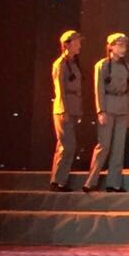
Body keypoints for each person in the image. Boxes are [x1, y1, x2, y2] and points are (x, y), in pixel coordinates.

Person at [83, 33, 129, 193]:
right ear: (110, 47)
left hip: (123, 106)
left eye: (125, 45)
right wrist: (100, 110)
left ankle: (114, 183)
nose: (123, 49)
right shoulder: (102, 65)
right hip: (108, 106)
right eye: (120, 45)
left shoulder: (127, 66)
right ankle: (91, 181)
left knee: (119, 147)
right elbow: (99, 89)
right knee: (104, 145)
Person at [49, 29, 84, 191]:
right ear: (67, 44)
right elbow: (60, 89)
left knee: (66, 145)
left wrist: (78, 110)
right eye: (77, 42)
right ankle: (57, 181)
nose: (79, 45)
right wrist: (64, 110)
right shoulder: (60, 64)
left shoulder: (73, 63)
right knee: (67, 145)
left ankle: (59, 181)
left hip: (73, 107)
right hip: (64, 109)